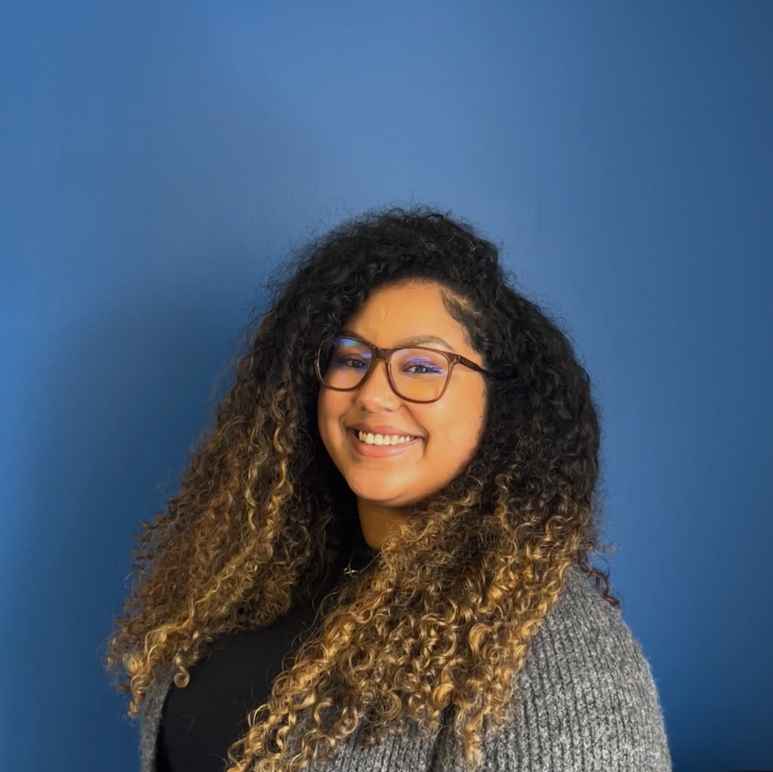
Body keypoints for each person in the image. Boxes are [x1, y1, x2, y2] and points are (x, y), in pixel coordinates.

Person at [103, 205, 673, 771]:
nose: (373, 393)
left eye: (422, 366)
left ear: (503, 404)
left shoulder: (550, 644)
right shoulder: (250, 580)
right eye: (352, 358)